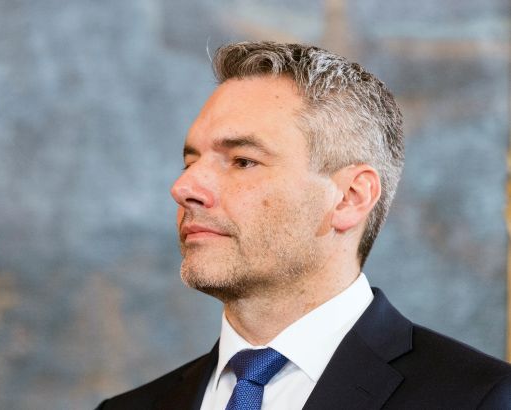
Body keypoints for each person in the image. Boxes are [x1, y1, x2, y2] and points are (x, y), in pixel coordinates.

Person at [96, 41, 511, 409]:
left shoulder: (480, 399)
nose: (184, 187)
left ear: (350, 197)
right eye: (189, 163)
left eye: (242, 161)